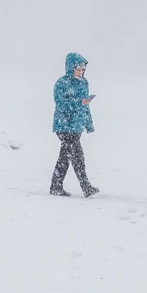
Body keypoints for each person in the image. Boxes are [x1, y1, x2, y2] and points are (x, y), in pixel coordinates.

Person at [50, 52, 99, 197]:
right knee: (77, 155)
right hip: (64, 126)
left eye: (83, 69)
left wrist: (88, 123)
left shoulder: (84, 83)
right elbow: (61, 104)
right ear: (71, 68)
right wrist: (79, 103)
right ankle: (86, 187)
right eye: (78, 69)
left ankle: (56, 187)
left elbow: (85, 105)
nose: (81, 71)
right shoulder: (61, 83)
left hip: (76, 126)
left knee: (65, 157)